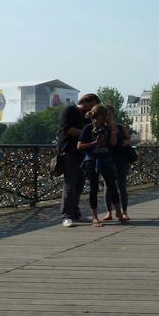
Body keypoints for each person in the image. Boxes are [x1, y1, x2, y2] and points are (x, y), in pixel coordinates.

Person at [78, 104, 125, 227]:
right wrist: (94, 143)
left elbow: (113, 143)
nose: (108, 117)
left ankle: (119, 213)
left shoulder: (107, 128)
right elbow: (79, 146)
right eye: (107, 115)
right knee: (93, 188)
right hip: (92, 160)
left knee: (112, 186)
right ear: (102, 116)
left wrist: (112, 126)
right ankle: (94, 217)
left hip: (106, 159)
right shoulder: (88, 128)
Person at [57, 93, 100, 227]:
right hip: (69, 152)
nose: (93, 110)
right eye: (92, 106)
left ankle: (75, 214)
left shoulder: (87, 117)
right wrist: (86, 132)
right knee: (70, 184)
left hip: (83, 153)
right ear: (86, 102)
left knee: (79, 184)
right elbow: (68, 130)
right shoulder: (69, 111)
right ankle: (67, 215)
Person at [104, 105, 131, 221]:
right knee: (107, 188)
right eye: (106, 115)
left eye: (109, 114)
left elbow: (129, 139)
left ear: (113, 115)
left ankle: (124, 211)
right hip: (107, 160)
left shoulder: (120, 127)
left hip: (121, 160)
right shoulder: (102, 128)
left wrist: (125, 143)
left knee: (122, 186)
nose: (108, 117)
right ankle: (109, 211)